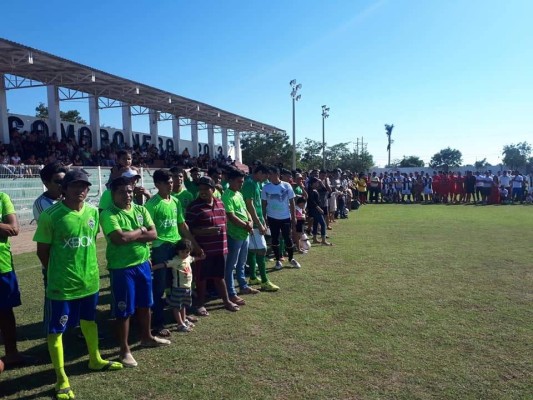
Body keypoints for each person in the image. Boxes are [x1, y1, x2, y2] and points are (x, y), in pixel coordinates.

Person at [33, 170, 122, 400]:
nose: (80, 190)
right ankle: (61, 378)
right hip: (61, 285)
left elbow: (90, 242)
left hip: (89, 282)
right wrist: (58, 272)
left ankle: (95, 359)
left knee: (89, 322)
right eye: (75, 185)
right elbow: (42, 251)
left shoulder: (92, 212)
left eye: (84, 186)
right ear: (64, 188)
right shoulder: (51, 216)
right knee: (56, 330)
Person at [100, 177, 170, 368]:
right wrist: (140, 231)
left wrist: (133, 234)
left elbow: (154, 234)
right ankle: (124, 350)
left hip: (143, 264)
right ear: (113, 194)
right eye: (122, 192)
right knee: (124, 310)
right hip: (122, 268)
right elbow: (119, 239)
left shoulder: (141, 210)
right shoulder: (108, 214)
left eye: (130, 191)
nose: (127, 195)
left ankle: (147, 337)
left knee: (145, 305)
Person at [145, 169, 202, 337]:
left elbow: (182, 225)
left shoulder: (175, 201)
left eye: (171, 182)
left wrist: (195, 245)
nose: (171, 185)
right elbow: (148, 231)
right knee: (160, 287)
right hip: (161, 248)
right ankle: (158, 323)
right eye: (166, 183)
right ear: (157, 185)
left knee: (179, 283)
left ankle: (181, 317)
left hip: (176, 246)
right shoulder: (152, 205)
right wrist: (148, 254)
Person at [186, 176, 241, 313]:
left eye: (206, 189)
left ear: (213, 189)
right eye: (200, 189)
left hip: (220, 248)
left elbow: (224, 223)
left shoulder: (220, 203)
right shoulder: (194, 206)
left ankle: (226, 301)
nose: (202, 191)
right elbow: (189, 230)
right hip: (202, 250)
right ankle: (200, 304)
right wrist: (205, 232)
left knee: (219, 276)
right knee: (201, 277)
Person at [0, 192, 32, 372]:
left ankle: (12, 354)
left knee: (5, 311)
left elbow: (13, 229)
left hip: (2, 265)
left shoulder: (2, 197)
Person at [222, 168, 259, 305]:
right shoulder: (227, 196)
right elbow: (231, 216)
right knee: (231, 265)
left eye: (242, 181)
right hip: (235, 234)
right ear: (230, 180)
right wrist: (246, 225)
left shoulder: (238, 193)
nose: (241, 184)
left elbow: (245, 210)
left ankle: (243, 286)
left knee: (242, 262)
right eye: (239, 181)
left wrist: (250, 221)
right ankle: (231, 293)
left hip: (244, 233)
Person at [242, 164, 280, 291]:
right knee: (262, 249)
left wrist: (262, 220)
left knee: (253, 250)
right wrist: (258, 223)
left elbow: (258, 204)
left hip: (257, 220)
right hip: (252, 222)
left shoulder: (257, 183)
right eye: (265, 175)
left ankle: (253, 277)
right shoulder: (249, 183)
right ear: (258, 172)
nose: (266, 178)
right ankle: (264, 281)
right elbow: (249, 205)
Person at [155, 239, 203, 332]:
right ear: (177, 251)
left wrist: (201, 257)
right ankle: (180, 324)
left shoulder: (188, 258)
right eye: (182, 252)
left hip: (187, 288)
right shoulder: (175, 260)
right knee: (176, 307)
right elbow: (164, 265)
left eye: (187, 252)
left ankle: (184, 320)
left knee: (183, 305)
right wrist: (153, 267)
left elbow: (193, 259)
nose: (185, 254)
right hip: (178, 288)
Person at [261, 166, 301, 270]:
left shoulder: (286, 186)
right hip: (272, 217)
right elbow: (263, 204)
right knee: (275, 239)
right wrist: (264, 217)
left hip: (285, 217)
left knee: (287, 238)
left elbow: (292, 202)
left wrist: (293, 217)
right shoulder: (266, 187)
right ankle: (278, 260)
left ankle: (291, 259)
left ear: (277, 174)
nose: (269, 176)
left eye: (271, 174)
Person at [307, 177, 332, 246]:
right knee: (323, 224)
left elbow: (325, 190)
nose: (318, 184)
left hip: (316, 209)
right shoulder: (310, 190)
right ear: (312, 183)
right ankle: (323, 240)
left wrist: (321, 183)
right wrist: (319, 208)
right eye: (316, 182)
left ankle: (314, 238)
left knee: (315, 223)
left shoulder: (315, 189)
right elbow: (312, 202)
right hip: (314, 209)